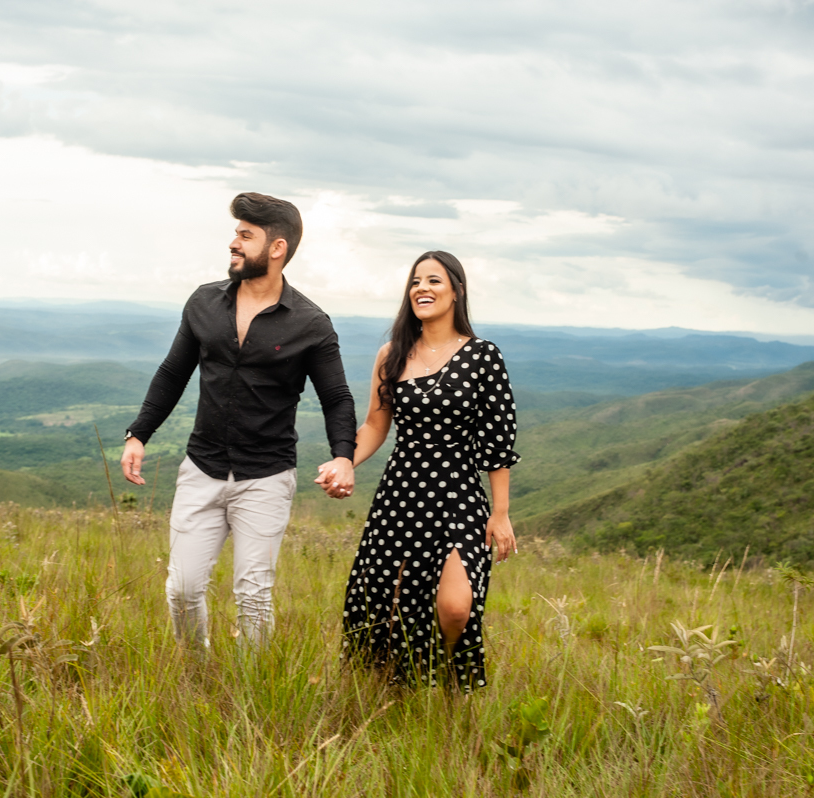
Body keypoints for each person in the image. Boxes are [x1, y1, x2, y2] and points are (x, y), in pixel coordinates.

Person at [122, 192, 357, 649]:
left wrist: (343, 457)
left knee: (253, 596)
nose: (233, 243)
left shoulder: (311, 323)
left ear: (276, 248)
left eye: (245, 235)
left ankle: (251, 691)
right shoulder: (204, 302)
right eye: (235, 233)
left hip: (266, 476)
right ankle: (196, 671)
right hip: (201, 469)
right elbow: (173, 373)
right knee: (183, 589)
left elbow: (336, 397)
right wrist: (139, 434)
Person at [333, 250, 519, 690]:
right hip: (400, 494)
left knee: (456, 606)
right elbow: (377, 424)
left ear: (456, 291)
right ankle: (397, 689)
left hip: (458, 496)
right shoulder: (392, 354)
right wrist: (345, 460)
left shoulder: (483, 356)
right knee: (388, 601)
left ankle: (451, 681)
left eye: (434, 281)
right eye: (416, 281)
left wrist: (501, 512)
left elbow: (499, 440)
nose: (422, 289)